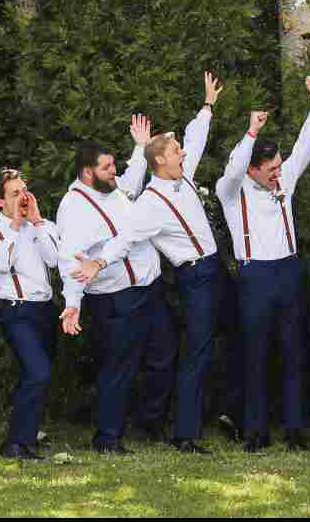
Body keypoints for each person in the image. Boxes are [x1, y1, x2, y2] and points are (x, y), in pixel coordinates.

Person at [72, 73, 231, 454]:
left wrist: (207, 106)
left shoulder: (183, 176)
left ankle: (212, 419)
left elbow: (195, 138)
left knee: (218, 344)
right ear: (161, 160)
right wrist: (97, 263)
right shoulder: (149, 204)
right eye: (175, 152)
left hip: (216, 269)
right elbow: (125, 238)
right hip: (194, 277)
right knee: (196, 352)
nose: (183, 154)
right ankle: (186, 434)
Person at [216, 77, 310, 452]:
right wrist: (251, 132)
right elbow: (231, 169)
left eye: (279, 166)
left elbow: (306, 145)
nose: (279, 172)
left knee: (295, 351)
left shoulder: (287, 178)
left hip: (289, 272)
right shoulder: (232, 191)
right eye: (271, 169)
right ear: (253, 170)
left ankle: (296, 430)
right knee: (256, 354)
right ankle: (255, 432)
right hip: (255, 276)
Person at [56, 117, 169, 454]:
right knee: (118, 368)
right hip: (116, 300)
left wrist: (139, 147)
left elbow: (131, 182)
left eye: (113, 165)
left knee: (162, 355)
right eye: (106, 168)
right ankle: (107, 438)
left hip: (148, 290)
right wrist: (73, 303)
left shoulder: (113, 187)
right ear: (87, 172)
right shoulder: (74, 207)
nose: (113, 171)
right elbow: (70, 261)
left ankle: (150, 423)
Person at [0, 168, 61, 460]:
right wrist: (15, 224)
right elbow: (1, 263)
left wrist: (36, 221)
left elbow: (54, 259)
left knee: (36, 374)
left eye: (24, 190)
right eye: (14, 193)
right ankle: (14, 444)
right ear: (0, 201)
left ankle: (29, 435)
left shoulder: (41, 226)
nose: (22, 197)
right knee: (38, 372)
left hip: (46, 310)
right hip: (18, 311)